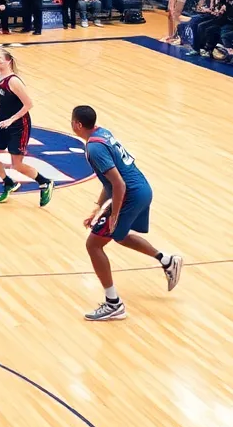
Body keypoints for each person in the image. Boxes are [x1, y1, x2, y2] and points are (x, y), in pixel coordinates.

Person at [71, 105, 182, 322]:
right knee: (119, 236)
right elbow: (112, 180)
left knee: (93, 245)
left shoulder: (94, 149)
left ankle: (114, 304)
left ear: (77, 125)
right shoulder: (102, 133)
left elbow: (118, 184)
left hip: (130, 194)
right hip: (142, 189)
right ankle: (167, 260)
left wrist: (113, 215)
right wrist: (99, 207)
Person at [0, 50, 53, 206]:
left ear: (8, 61)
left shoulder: (14, 81)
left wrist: (11, 120)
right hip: (2, 123)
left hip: (19, 125)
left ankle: (44, 182)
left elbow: (29, 104)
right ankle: (9, 182)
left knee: (17, 164)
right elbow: (1, 101)